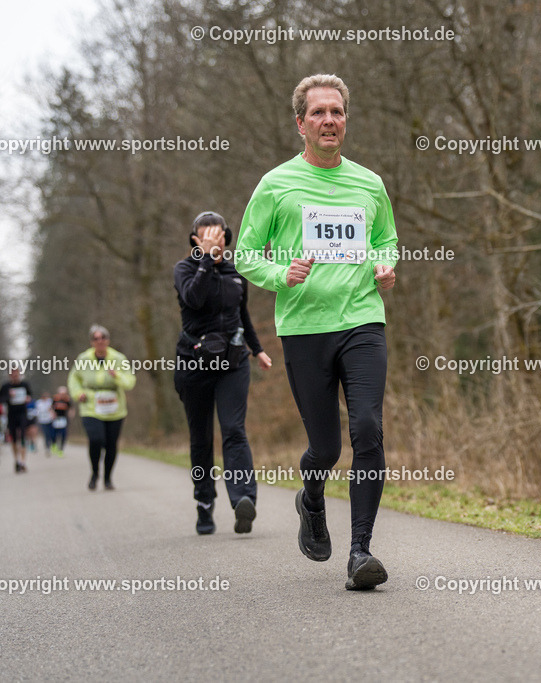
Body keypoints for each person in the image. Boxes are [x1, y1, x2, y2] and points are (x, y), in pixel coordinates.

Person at [235, 74, 398, 590]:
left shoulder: (369, 183)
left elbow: (386, 239)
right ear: (300, 124)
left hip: (362, 321)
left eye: (337, 112)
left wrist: (384, 266)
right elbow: (244, 255)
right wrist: (281, 275)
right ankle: (311, 498)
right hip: (305, 328)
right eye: (319, 113)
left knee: (368, 429)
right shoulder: (276, 184)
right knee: (324, 448)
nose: (329, 120)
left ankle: (360, 551)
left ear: (345, 120)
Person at [174, 210, 273, 535]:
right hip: (194, 364)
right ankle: (204, 504)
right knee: (201, 438)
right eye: (207, 237)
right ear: (195, 240)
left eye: (219, 237)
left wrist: (257, 349)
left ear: (227, 239)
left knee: (233, 429)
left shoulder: (235, 272)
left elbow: (241, 314)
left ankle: (243, 498)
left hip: (234, 362)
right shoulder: (185, 269)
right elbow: (194, 297)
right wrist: (205, 260)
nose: (215, 242)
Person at [67, 325, 136, 490]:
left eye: (103, 338)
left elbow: (130, 382)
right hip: (90, 406)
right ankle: (95, 472)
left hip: (115, 408)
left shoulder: (118, 358)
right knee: (96, 439)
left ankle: (107, 478)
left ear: (108, 340)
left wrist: (117, 375)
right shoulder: (83, 359)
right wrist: (78, 393)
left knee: (111, 444)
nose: (100, 341)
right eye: (96, 338)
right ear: (91, 342)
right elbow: (73, 379)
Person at [0, 369, 33, 472]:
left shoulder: (25, 385)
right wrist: (9, 396)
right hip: (11, 415)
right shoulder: (5, 386)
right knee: (13, 439)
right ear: (9, 375)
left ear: (20, 374)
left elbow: (30, 395)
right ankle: (16, 460)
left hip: (22, 414)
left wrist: (28, 399)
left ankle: (23, 462)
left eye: (17, 374)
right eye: (13, 374)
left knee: (22, 437)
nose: (15, 376)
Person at [50, 386, 72, 456]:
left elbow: (71, 408)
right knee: (54, 434)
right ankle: (54, 444)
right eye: (61, 393)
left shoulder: (67, 400)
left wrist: (70, 414)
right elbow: (50, 408)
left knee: (63, 434)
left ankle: (61, 450)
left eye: (64, 393)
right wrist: (52, 414)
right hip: (56, 419)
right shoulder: (55, 398)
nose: (63, 395)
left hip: (63, 419)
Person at [35, 392, 55, 456]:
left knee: (52, 433)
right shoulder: (38, 403)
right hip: (42, 420)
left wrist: (52, 411)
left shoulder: (50, 401)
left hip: (50, 420)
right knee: (46, 434)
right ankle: (47, 447)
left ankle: (53, 444)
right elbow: (37, 411)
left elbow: (54, 409)